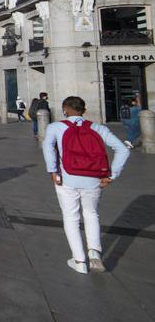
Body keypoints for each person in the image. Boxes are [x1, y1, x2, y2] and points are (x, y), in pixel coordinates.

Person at [42, 95, 129, 274]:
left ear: (65, 109)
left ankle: (79, 260)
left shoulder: (55, 127)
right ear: (84, 110)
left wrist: (52, 171)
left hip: (67, 178)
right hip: (94, 180)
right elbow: (122, 149)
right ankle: (94, 252)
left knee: (71, 217)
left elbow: (48, 147)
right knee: (91, 214)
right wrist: (111, 175)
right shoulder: (97, 128)